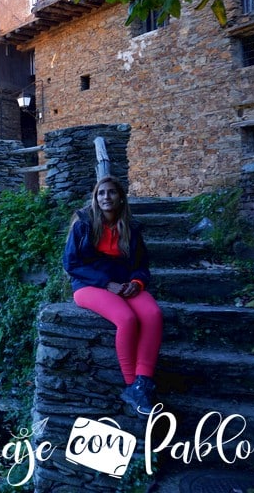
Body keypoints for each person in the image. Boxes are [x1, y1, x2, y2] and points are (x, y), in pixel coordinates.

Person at [63, 176, 163, 415]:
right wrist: (106, 283)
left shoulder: (131, 227)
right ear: (95, 198)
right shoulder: (83, 224)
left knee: (153, 314)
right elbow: (71, 264)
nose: (106, 197)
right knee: (126, 319)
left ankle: (142, 382)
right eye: (101, 193)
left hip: (125, 285)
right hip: (89, 285)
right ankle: (131, 384)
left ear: (120, 198)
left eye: (111, 193)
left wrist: (137, 283)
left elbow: (142, 265)